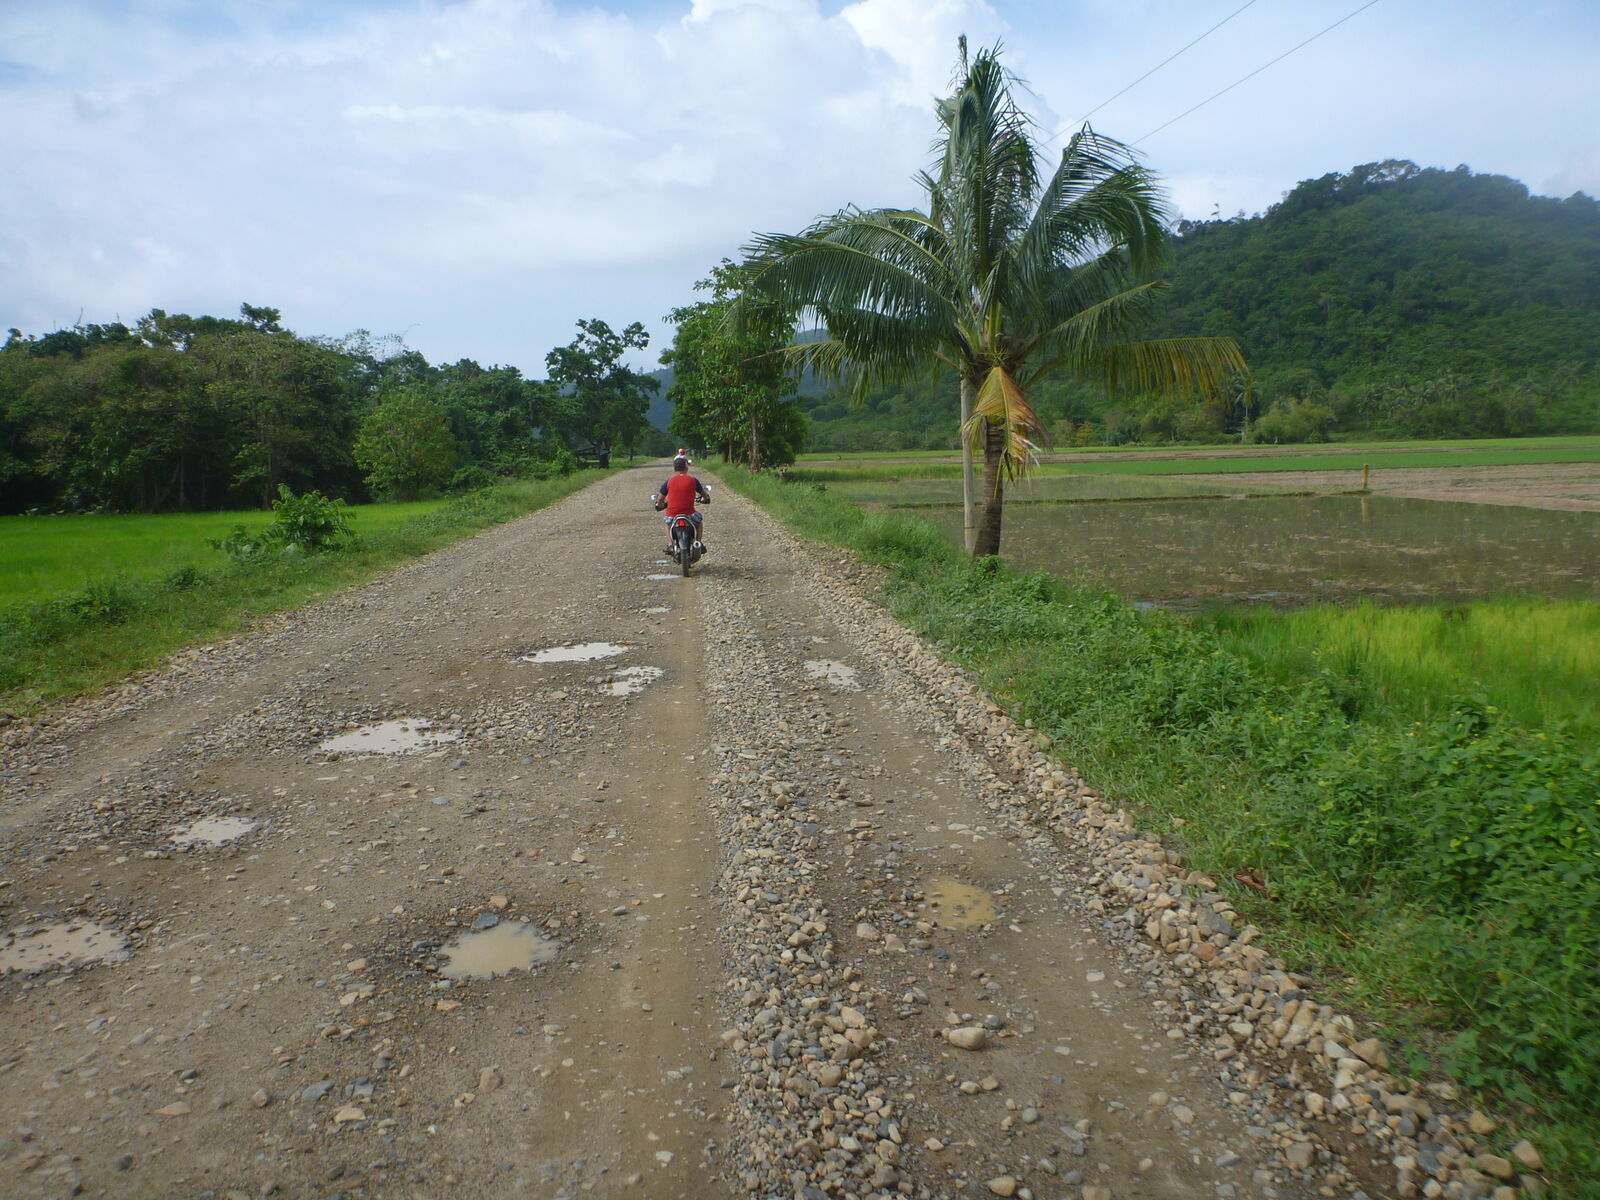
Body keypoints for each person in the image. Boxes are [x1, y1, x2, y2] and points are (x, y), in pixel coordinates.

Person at [654, 455, 710, 554]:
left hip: (672, 515)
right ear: (686, 468)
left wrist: (659, 505)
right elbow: (704, 494)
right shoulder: (693, 480)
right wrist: (705, 499)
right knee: (699, 523)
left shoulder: (669, 481)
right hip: (689, 514)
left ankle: (670, 545)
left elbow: (660, 499)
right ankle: (698, 543)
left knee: (667, 524)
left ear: (674, 468)